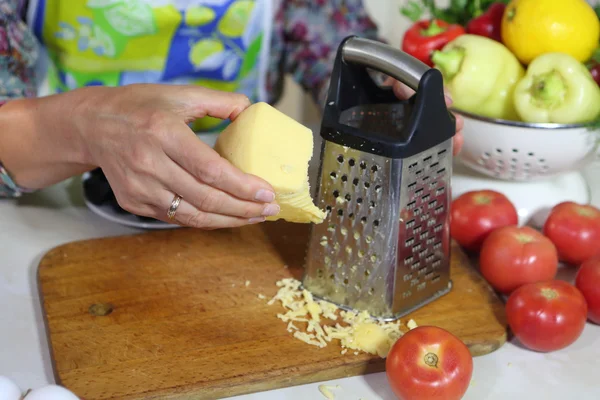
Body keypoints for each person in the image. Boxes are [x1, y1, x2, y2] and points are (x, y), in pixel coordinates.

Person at [0, 0, 464, 229]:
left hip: (244, 218)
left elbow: (335, 49)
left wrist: (384, 105)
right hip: (52, 212)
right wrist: (86, 124)